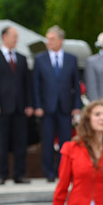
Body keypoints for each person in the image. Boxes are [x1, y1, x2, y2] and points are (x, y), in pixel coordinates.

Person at [0, 26, 33, 185]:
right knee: (1, 142)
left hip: (19, 107)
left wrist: (29, 104)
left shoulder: (22, 58)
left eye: (17, 36)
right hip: (2, 108)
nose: (16, 39)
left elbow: (27, 84)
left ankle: (19, 174)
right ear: (4, 37)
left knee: (20, 142)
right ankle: (1, 174)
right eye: (14, 36)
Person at [33, 25, 82, 182]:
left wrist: (76, 106)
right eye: (48, 38)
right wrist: (38, 106)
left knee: (66, 142)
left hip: (65, 108)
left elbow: (76, 84)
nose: (49, 41)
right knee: (47, 141)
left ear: (61, 40)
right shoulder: (40, 59)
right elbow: (36, 85)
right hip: (46, 108)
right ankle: (49, 172)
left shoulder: (71, 59)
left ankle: (64, 171)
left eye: (52, 39)